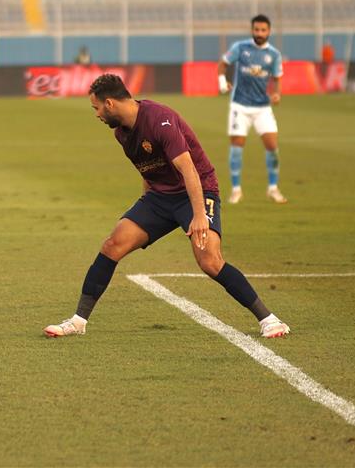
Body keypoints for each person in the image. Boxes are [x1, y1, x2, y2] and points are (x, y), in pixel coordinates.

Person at [43, 74, 290, 339]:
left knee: (209, 261)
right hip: (160, 197)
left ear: (110, 104)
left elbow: (189, 169)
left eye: (97, 107)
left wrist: (198, 216)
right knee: (112, 245)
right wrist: (143, 212)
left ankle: (269, 320)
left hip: (197, 190)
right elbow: (149, 172)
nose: (96, 114)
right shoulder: (121, 134)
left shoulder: (160, 119)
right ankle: (78, 321)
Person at [218, 14, 286, 205]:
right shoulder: (240, 48)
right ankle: (236, 190)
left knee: (272, 146)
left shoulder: (273, 54)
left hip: (262, 107)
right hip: (240, 105)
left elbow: (277, 78)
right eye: (256, 30)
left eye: (263, 30)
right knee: (237, 147)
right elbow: (222, 65)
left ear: (269, 31)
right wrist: (223, 82)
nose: (259, 33)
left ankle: (273, 188)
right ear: (252, 30)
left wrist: (277, 94)